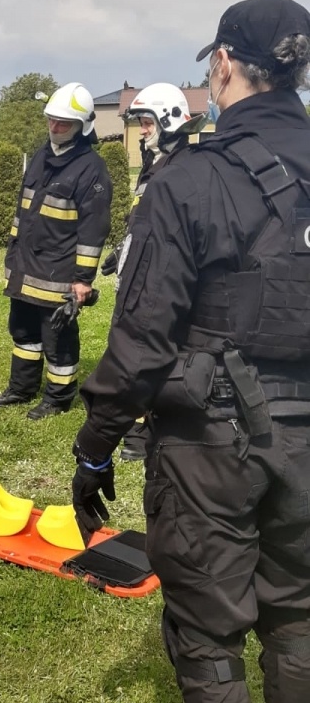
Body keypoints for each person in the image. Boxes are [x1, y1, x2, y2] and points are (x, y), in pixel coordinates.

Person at [70, 0, 310, 703]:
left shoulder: (193, 178)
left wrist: (94, 450)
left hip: (212, 440)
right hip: (305, 436)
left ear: (224, 65)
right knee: (297, 609)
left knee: (208, 635)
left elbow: (139, 343)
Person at [0, 83, 112, 420]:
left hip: (60, 270)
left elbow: (93, 230)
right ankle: (22, 388)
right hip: (26, 263)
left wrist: (83, 280)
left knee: (58, 338)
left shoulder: (92, 169)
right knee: (23, 330)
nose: (55, 128)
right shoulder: (42, 156)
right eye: (52, 121)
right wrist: (12, 257)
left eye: (64, 124)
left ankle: (58, 398)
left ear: (83, 127)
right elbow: (23, 210)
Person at [112, 84, 205, 461]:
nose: (143, 130)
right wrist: (123, 252)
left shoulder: (184, 167)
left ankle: (146, 433)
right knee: (133, 352)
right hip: (140, 273)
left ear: (168, 122)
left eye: (148, 122)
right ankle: (136, 429)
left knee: (154, 354)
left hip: (162, 280)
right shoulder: (154, 166)